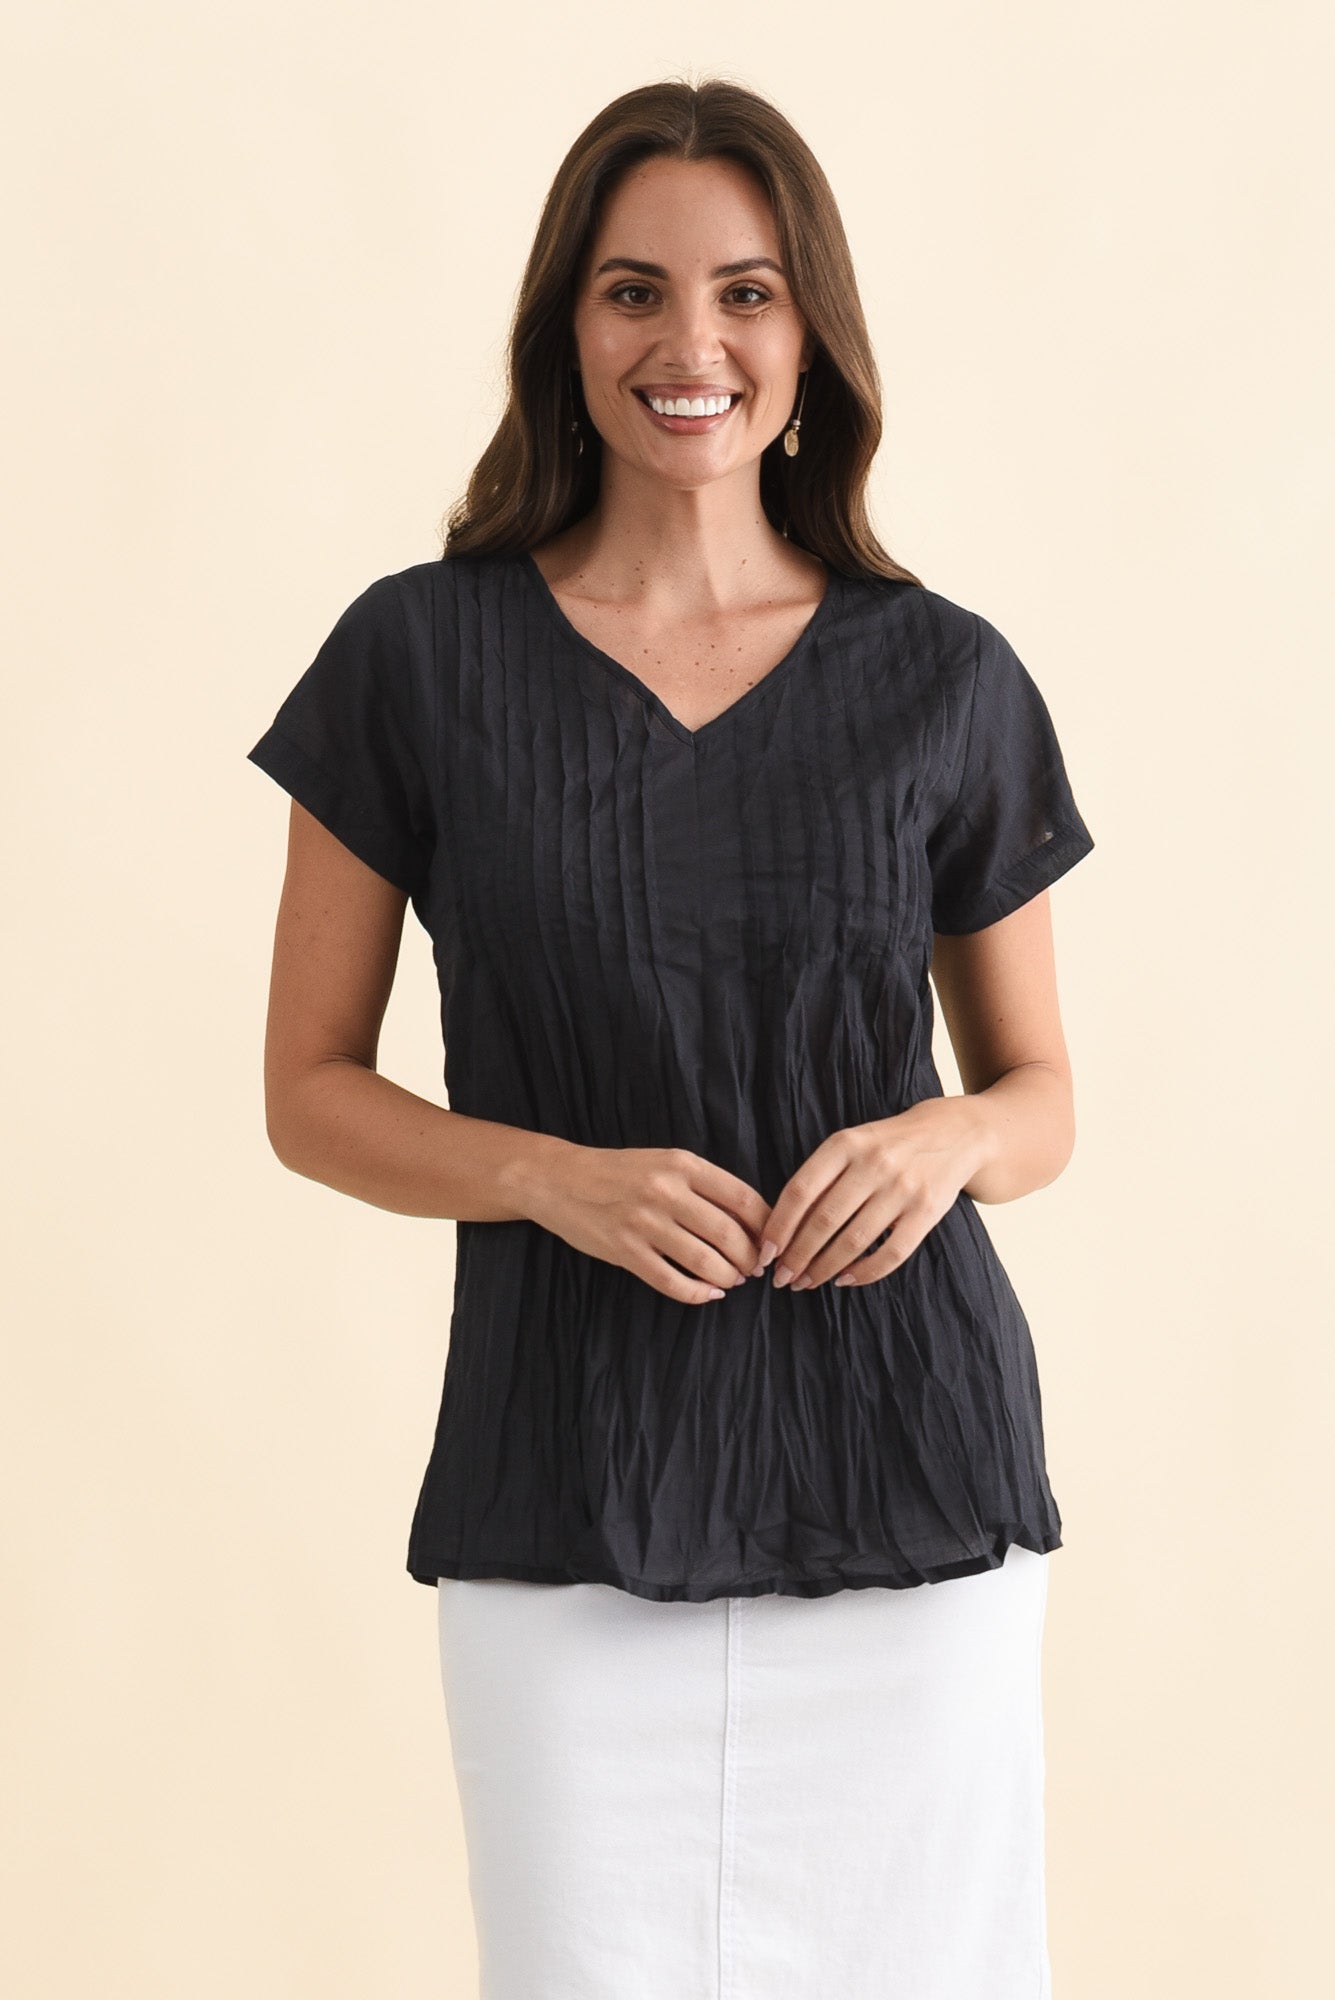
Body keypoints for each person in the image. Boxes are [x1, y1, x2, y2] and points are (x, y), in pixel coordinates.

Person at [247, 76, 1095, 2000]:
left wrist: (949, 1140)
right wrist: (549, 1177)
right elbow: (308, 1092)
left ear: (812, 339)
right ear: (567, 324)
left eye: (747, 293)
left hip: (908, 1473)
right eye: (634, 290)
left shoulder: (944, 676)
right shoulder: (418, 658)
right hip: (568, 1482)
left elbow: (1042, 1098)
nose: (689, 344)